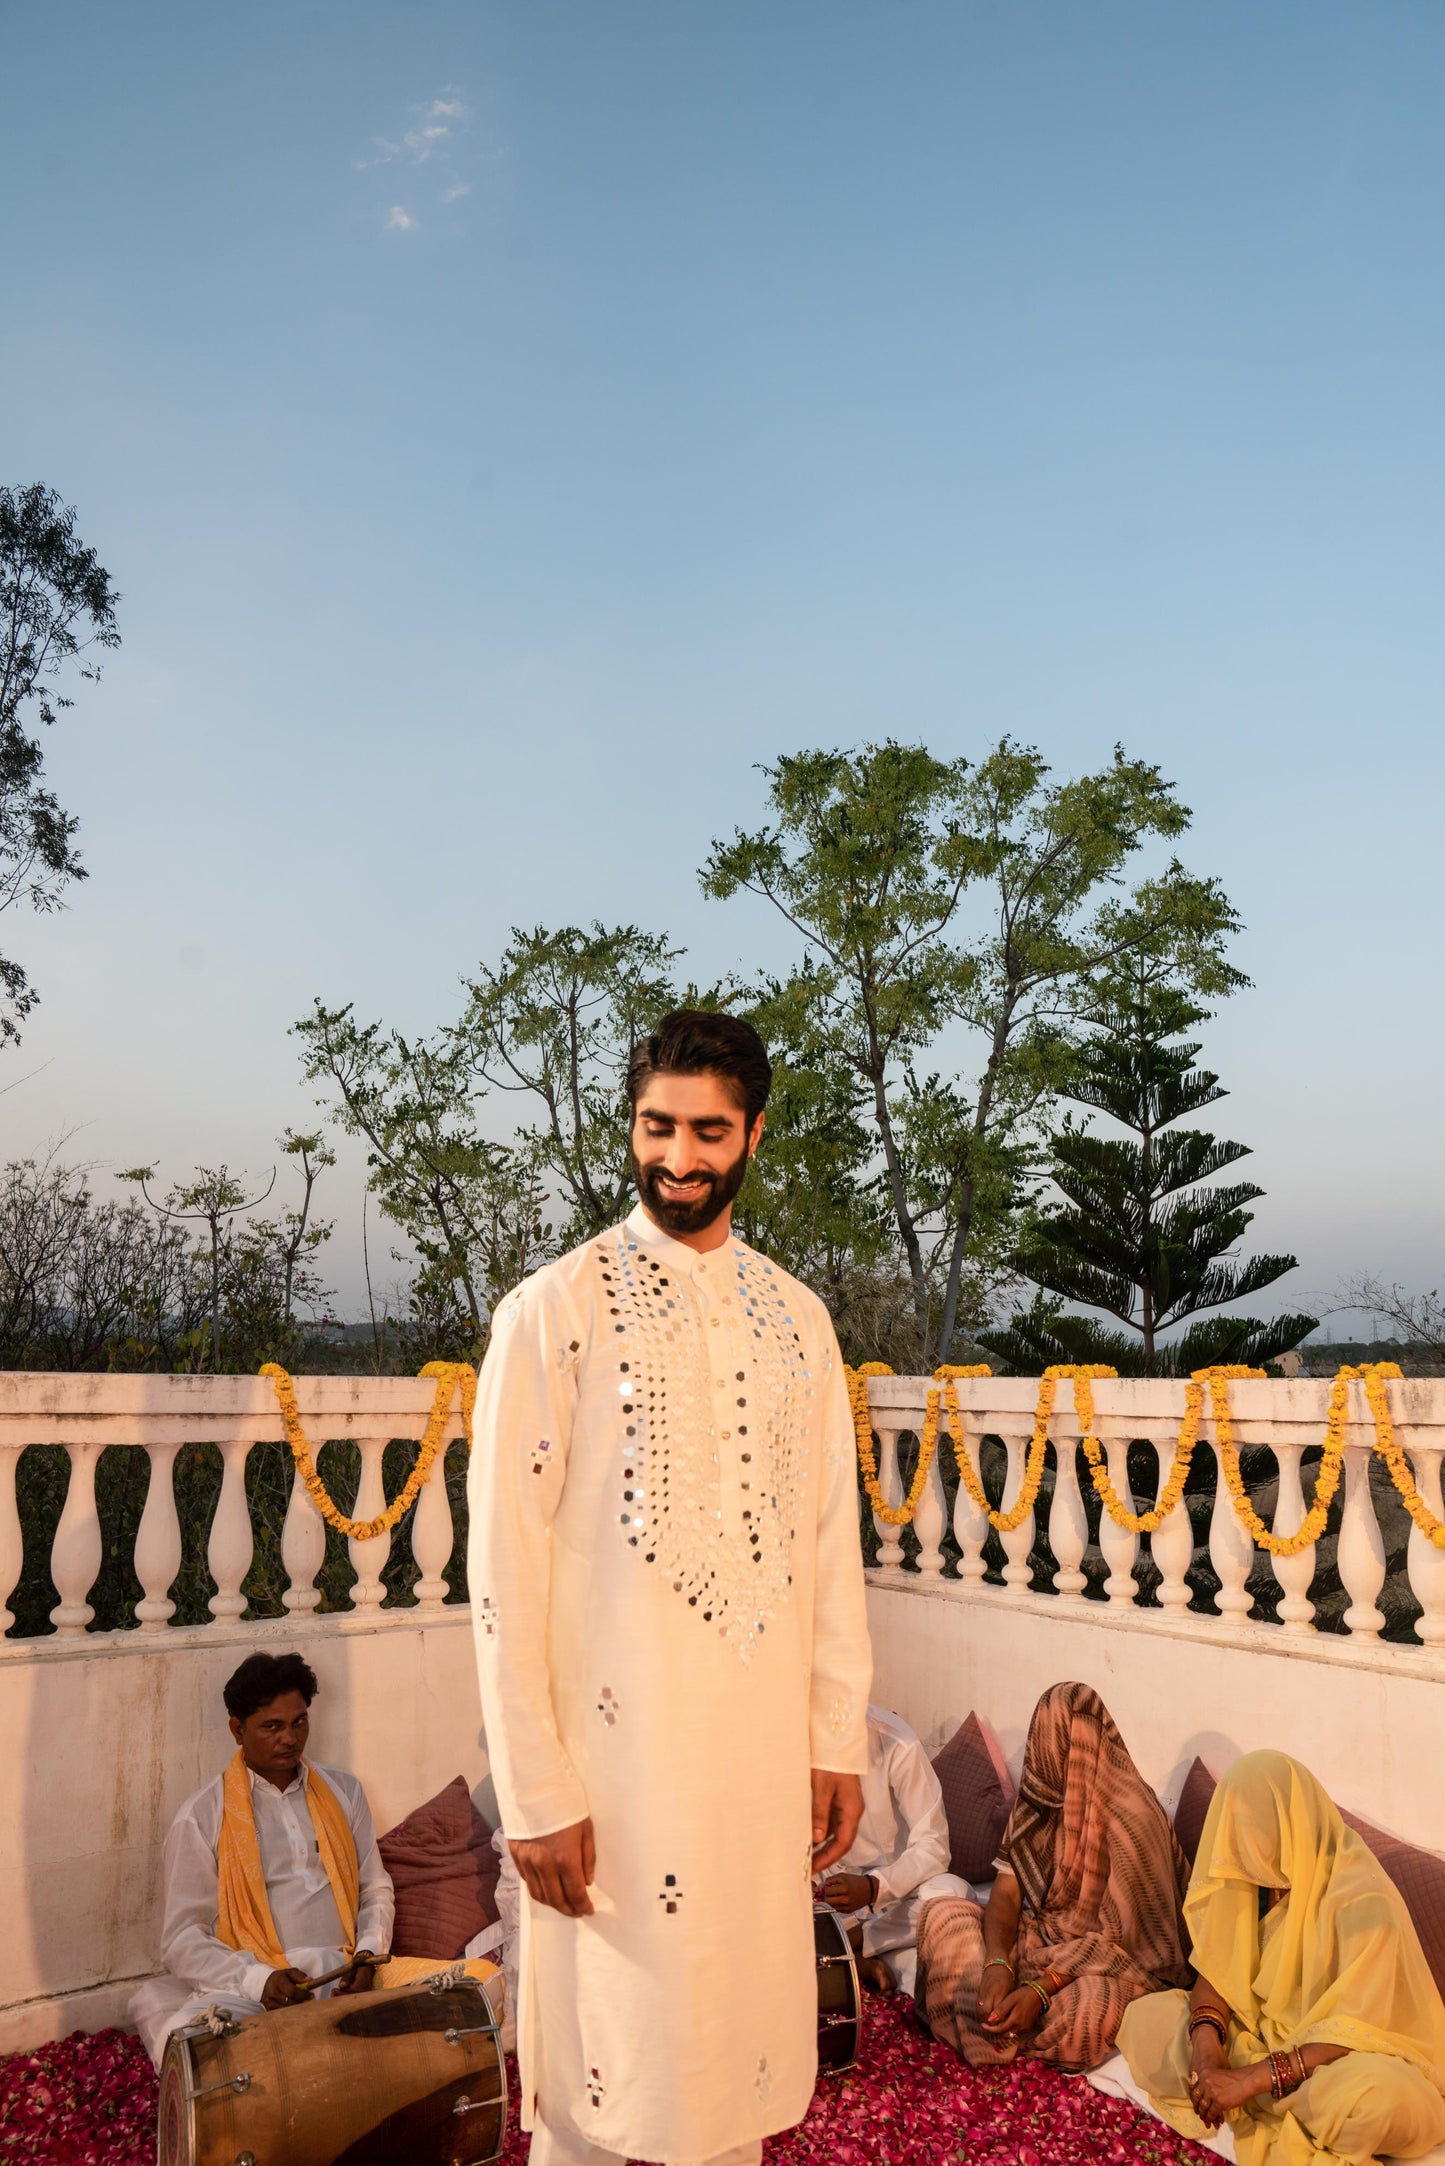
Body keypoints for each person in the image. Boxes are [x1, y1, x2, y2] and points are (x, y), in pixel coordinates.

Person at [468, 1008, 873, 2166]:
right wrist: (535, 1793)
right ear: (630, 1125)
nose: (678, 1159)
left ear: (751, 1137)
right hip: (613, 1781)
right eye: (657, 1127)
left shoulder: (799, 1321)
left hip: (749, 1774)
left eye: (707, 1131)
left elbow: (826, 1545)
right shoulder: (554, 1310)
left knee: (724, 2078)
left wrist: (833, 1736)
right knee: (611, 2076)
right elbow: (500, 1570)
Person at [1119, 1750, 1445, 2166]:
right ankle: (1240, 2094)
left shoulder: (1363, 1899)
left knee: (1375, 2101)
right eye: (1233, 1827)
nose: (1238, 1842)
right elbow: (1216, 1973)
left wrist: (1252, 2080)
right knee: (1147, 2020)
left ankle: (1247, 2099)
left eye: (1250, 1827)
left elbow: (1358, 2033)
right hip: (1257, 2039)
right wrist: (1206, 2050)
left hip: (1341, 2061)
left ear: (1291, 1823)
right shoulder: (1249, 1881)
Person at [131, 1651, 395, 2068]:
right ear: (238, 1730)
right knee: (191, 2048)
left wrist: (368, 1955)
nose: (290, 1738)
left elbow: (374, 1886)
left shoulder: (344, 1789)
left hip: (347, 1973)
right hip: (258, 1986)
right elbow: (181, 1939)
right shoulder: (202, 1816)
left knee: (476, 1990)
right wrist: (260, 1980)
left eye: (299, 1722)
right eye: (272, 1726)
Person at [915, 1680, 1191, 2071]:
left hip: (1106, 1965)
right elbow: (1007, 1895)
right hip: (1039, 1942)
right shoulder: (1038, 1802)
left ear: (1087, 1745)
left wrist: (1039, 1991)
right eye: (1042, 1742)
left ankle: (991, 2027)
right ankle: (999, 2020)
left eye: (1058, 1746)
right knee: (944, 1916)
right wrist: (997, 1964)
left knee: (1090, 2014)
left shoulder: (1137, 1817)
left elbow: (1135, 1945)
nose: (1045, 1758)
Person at [815, 1702, 968, 1998]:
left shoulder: (895, 1740)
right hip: (830, 1907)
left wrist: (874, 1887)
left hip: (903, 1897)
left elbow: (934, 1844)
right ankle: (858, 1956)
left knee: (954, 1896)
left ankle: (855, 1946)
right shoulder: (789, 1748)